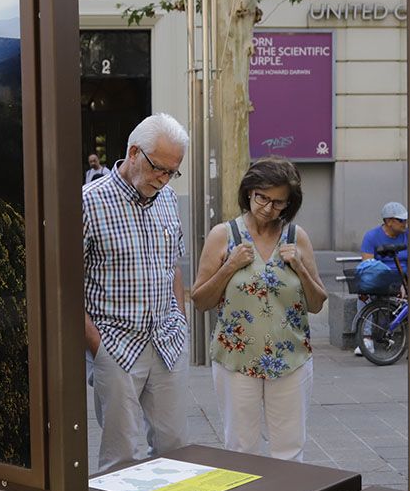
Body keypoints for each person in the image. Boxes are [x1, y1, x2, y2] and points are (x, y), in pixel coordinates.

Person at [191, 156, 328, 462]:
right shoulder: (223, 236)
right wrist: (229, 267)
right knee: (241, 450)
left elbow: (317, 303)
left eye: (278, 202)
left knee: (290, 451)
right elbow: (200, 300)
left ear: (289, 204)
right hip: (236, 360)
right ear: (249, 191)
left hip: (290, 360)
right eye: (262, 197)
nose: (268, 208)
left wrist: (300, 268)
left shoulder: (296, 237)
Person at [83, 113, 190, 472]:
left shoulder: (169, 198)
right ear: (133, 153)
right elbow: (64, 283)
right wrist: (98, 347)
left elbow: (174, 262)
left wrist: (180, 317)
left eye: (172, 172)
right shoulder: (88, 201)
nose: (163, 179)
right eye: (159, 168)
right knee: (122, 459)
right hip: (115, 344)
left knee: (175, 449)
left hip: (167, 340)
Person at [354, 201, 409, 355]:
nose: (405, 223)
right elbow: (368, 265)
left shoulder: (408, 235)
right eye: (401, 220)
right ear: (389, 221)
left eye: (405, 220)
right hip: (380, 278)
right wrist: (391, 281)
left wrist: (404, 282)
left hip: (405, 277)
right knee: (364, 296)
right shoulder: (372, 236)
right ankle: (367, 339)